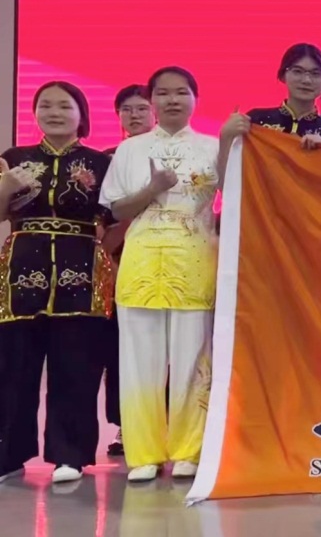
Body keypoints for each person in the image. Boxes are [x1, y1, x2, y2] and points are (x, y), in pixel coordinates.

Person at [99, 67, 222, 482]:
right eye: (164, 93)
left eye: (181, 92)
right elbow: (116, 210)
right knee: (139, 362)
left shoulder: (212, 147)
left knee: (193, 359)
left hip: (194, 261)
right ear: (152, 101)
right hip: (141, 263)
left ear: (195, 99)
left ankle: (189, 450)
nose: (172, 100)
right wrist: (152, 189)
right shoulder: (130, 150)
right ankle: (144, 453)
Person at [0, 83, 114, 484]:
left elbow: (115, 218)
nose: (54, 112)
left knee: (76, 365)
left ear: (81, 114)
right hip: (21, 272)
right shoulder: (14, 159)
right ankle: (9, 455)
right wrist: (6, 187)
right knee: (14, 367)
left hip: (80, 271)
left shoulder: (100, 163)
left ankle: (71, 455)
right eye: (45, 105)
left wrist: (104, 257)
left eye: (64, 106)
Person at [103, 84, 157, 458]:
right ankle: (127, 426)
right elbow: (102, 218)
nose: (134, 115)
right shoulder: (107, 159)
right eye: (127, 109)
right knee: (122, 350)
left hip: (171, 261)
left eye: (141, 108)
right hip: (118, 265)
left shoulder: (173, 153)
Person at [247, 43, 321, 147]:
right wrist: (231, 134)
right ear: (283, 75)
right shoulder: (255, 120)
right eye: (297, 71)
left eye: (315, 73)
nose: (306, 80)